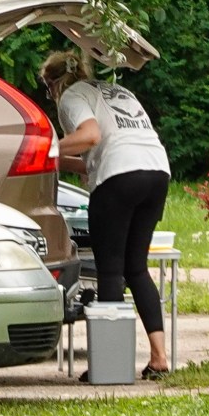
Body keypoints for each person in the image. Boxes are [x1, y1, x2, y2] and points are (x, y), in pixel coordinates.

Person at [39, 49, 171, 381]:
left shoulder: (72, 95)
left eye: (47, 88)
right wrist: (56, 159)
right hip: (156, 173)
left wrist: (46, 148)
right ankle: (159, 358)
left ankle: (110, 365)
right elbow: (96, 157)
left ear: (53, 82)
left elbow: (90, 136)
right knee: (136, 268)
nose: (50, 95)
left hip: (119, 178)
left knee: (110, 269)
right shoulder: (116, 91)